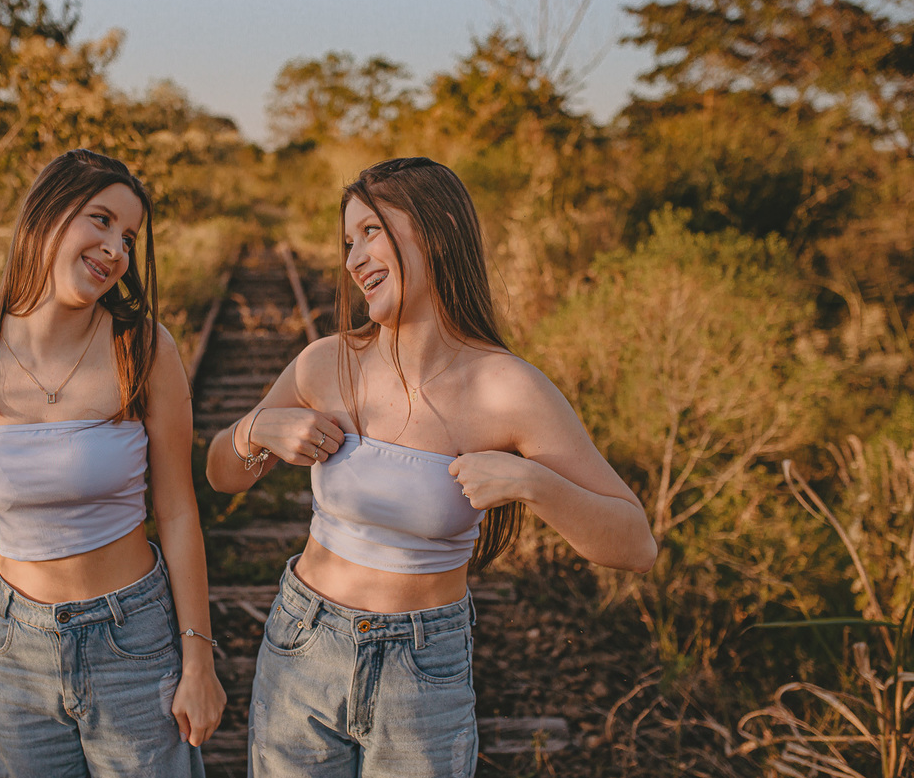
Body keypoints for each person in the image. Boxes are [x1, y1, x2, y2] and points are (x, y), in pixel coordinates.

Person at [205, 157, 657, 777]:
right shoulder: (325, 363)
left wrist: (534, 483)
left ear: (438, 228)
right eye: (346, 241)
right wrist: (253, 431)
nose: (353, 258)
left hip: (423, 668)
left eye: (371, 232)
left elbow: (636, 544)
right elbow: (220, 474)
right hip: (305, 643)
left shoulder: (508, 388)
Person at [0, 149, 225, 776]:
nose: (117, 248)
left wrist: (198, 659)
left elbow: (176, 509)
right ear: (47, 216)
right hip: (16, 651)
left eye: (130, 236)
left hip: (132, 637)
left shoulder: (142, 348)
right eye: (101, 219)